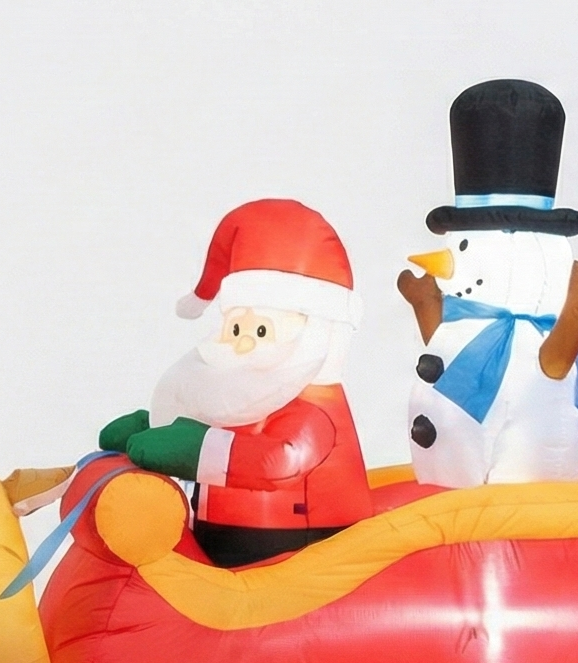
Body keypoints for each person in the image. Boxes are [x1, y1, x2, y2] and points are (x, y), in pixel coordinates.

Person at [100, 199, 373, 568]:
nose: (241, 345)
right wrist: (157, 425)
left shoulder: (314, 407)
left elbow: (281, 460)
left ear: (316, 333)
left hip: (296, 545)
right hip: (219, 539)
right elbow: (215, 413)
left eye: (260, 331)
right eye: (234, 329)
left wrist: (193, 449)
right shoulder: (244, 394)